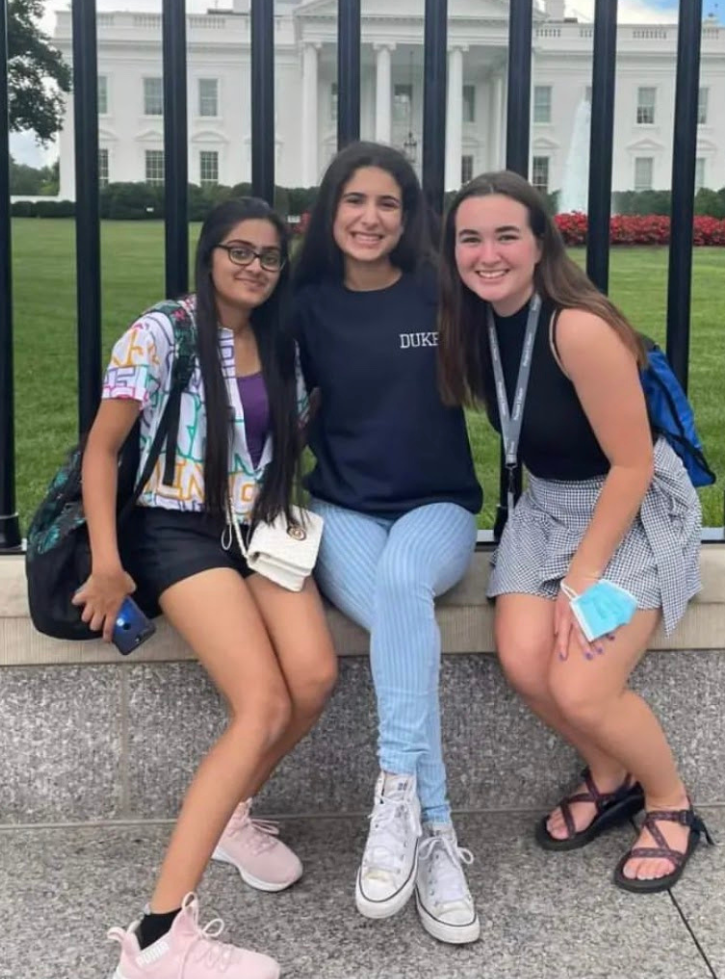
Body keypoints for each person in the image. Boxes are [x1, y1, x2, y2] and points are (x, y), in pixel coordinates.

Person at [434, 171, 709, 892]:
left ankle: (669, 801)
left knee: (582, 688)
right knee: (526, 664)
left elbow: (632, 464)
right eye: (470, 238)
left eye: (504, 236)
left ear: (538, 244)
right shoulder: (475, 323)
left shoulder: (577, 327)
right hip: (548, 506)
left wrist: (582, 576)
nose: (486, 254)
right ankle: (611, 774)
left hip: (632, 507)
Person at [85, 198, 334, 979]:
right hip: (175, 531)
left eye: (269, 256)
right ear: (209, 253)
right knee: (261, 702)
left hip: (257, 531)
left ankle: (230, 819)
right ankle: (159, 936)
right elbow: (102, 451)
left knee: (316, 678)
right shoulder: (162, 333)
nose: (255, 267)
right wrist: (106, 562)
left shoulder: (279, 340)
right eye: (240, 251)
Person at [291, 143, 485, 944]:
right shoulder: (303, 304)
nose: (370, 218)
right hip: (342, 512)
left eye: (388, 204)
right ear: (330, 208)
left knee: (405, 586)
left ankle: (398, 793)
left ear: (409, 218)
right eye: (355, 200)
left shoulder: (441, 293)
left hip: (437, 508)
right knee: (404, 620)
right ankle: (434, 833)